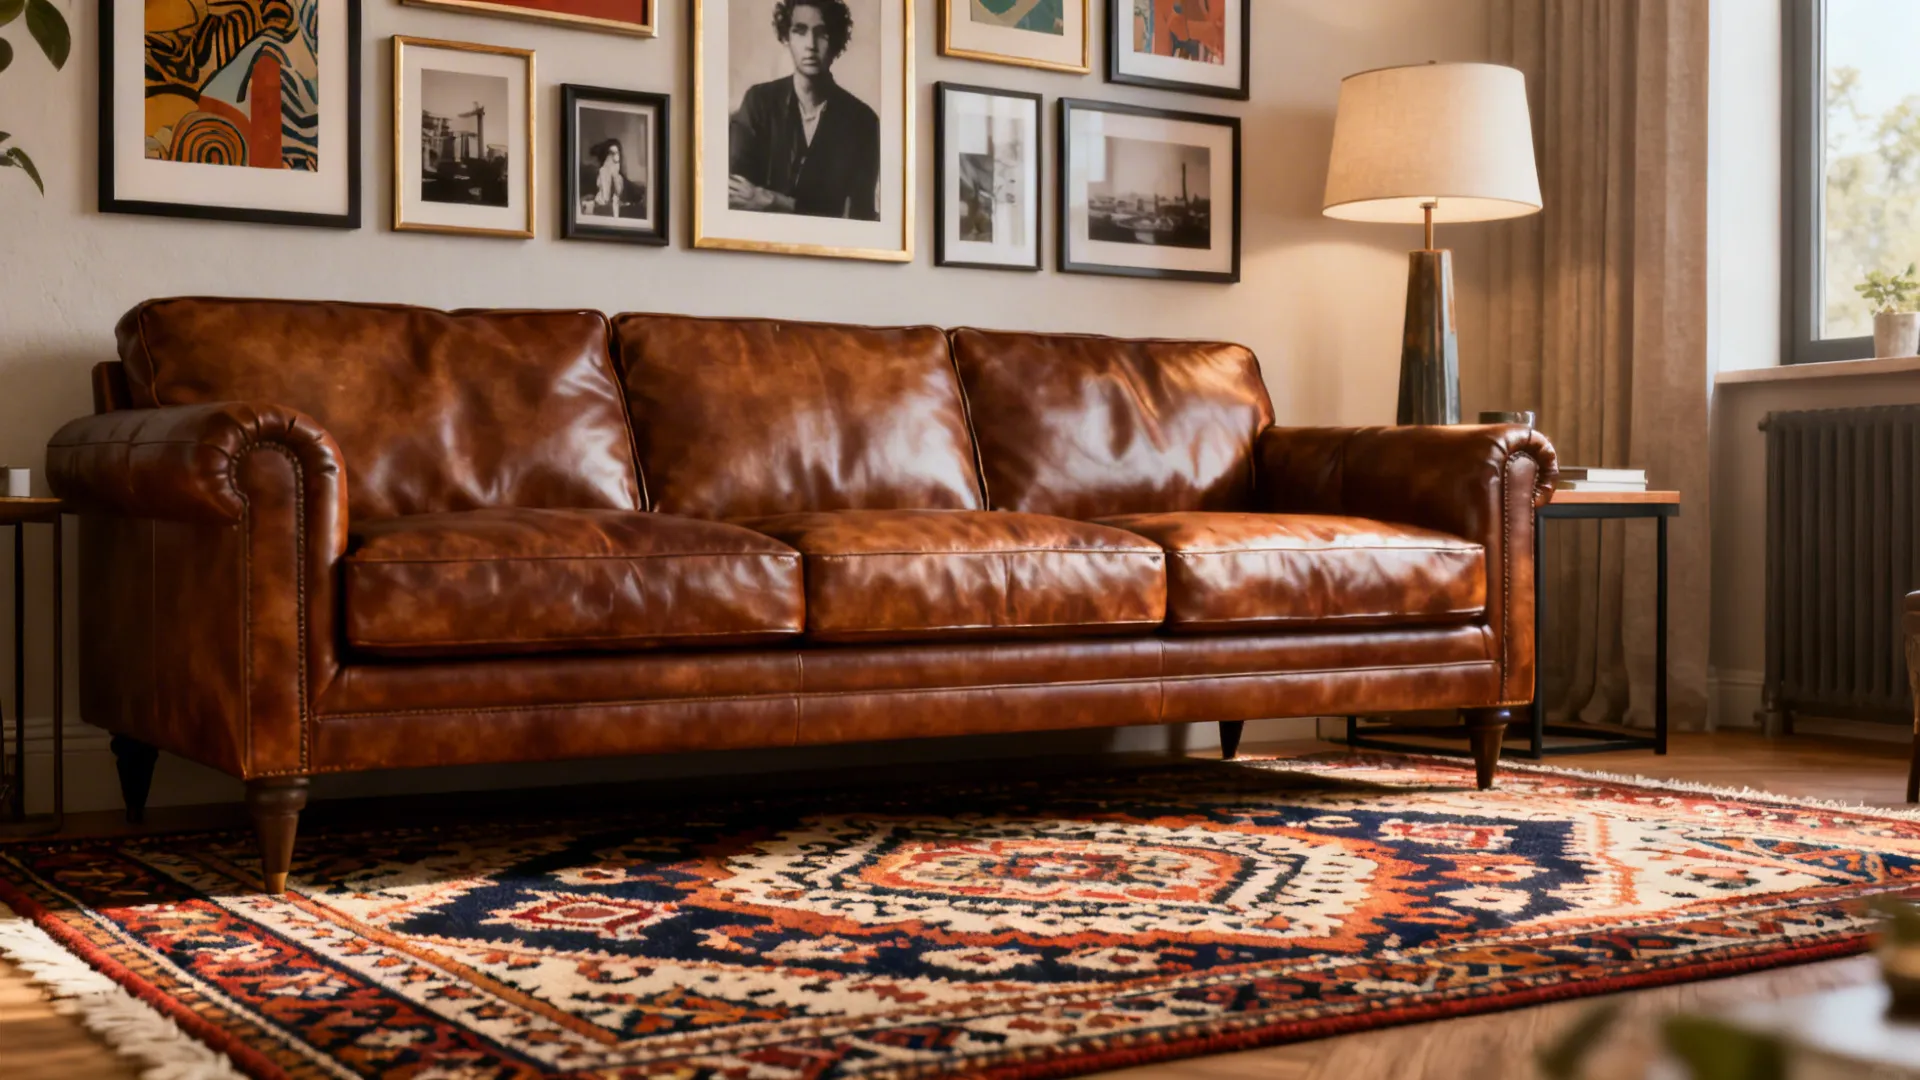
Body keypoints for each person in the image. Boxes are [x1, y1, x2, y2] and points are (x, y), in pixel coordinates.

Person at [728, 0, 880, 220]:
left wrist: (775, 201)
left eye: (822, 33)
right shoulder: (759, 102)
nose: (811, 44)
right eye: (800, 31)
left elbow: (856, 217)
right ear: (786, 38)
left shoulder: (863, 122)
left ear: (836, 41)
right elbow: (736, 194)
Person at [580, 137, 644, 219]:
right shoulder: (594, 176)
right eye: (612, 154)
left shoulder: (623, 182)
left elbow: (638, 193)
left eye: (617, 154)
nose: (615, 158)